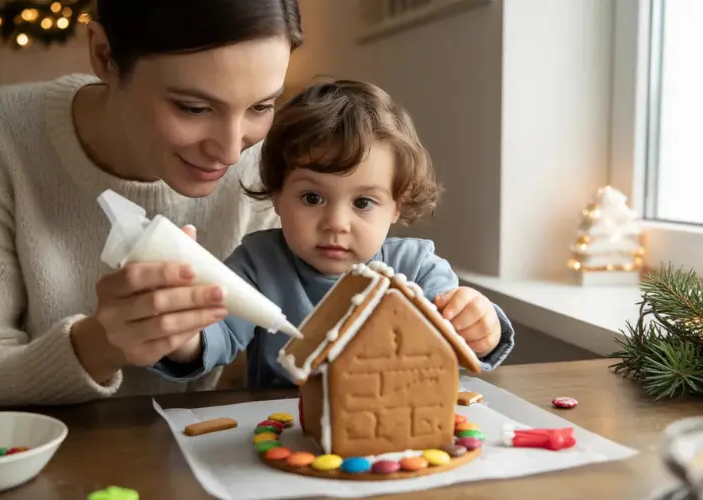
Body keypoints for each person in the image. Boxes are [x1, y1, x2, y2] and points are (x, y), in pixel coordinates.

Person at [0, 0, 302, 410]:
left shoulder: (266, 168)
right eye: (194, 108)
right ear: (104, 54)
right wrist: (100, 345)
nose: (231, 151)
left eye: (261, 106)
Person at [180, 79, 515, 389]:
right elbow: (217, 335)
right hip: (284, 426)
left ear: (397, 206)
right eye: (312, 198)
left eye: (363, 202)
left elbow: (454, 340)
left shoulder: (416, 268)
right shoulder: (258, 264)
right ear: (278, 196)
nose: (336, 223)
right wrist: (183, 335)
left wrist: (481, 328)